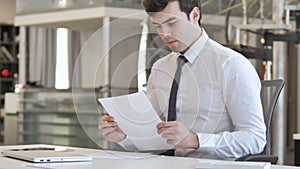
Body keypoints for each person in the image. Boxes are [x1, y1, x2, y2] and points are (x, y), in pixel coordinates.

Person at [99, 0, 266, 160]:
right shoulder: (160, 69)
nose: (164, 33)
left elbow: (255, 139)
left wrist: (196, 140)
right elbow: (152, 138)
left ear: (194, 15)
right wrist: (124, 136)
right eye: (158, 26)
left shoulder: (231, 65)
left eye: (172, 23)